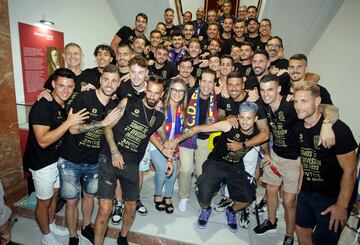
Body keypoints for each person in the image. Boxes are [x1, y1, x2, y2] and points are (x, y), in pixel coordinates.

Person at [255, 75, 337, 245]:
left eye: (270, 89)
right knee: (270, 190)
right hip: (275, 155)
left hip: (294, 160)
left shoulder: (291, 104)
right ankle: (271, 222)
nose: (266, 94)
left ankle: (289, 234)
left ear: (278, 89)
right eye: (262, 90)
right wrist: (267, 154)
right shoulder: (264, 106)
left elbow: (331, 109)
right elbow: (265, 131)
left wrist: (328, 124)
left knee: (289, 201)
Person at [94, 76, 173, 245]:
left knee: (131, 207)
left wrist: (169, 159)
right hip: (109, 156)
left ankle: (122, 237)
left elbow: (163, 141)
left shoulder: (159, 117)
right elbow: (107, 126)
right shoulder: (128, 102)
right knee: (105, 208)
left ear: (162, 94)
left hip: (131, 162)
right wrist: (115, 152)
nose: (152, 96)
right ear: (145, 87)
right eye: (149, 91)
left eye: (156, 93)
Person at [171, 101, 268, 231]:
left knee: (248, 197)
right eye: (242, 117)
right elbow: (198, 128)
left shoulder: (258, 133)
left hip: (235, 166)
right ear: (238, 116)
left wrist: (267, 154)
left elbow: (264, 139)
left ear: (255, 119)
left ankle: (231, 211)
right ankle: (206, 210)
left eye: (249, 118)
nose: (244, 122)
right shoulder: (229, 125)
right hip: (216, 163)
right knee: (203, 191)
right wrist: (176, 140)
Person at [23, 68, 88, 245]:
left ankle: (50, 225)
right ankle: (45, 236)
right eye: (61, 86)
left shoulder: (62, 104)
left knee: (54, 196)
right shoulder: (42, 106)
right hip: (42, 162)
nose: (65, 90)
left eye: (69, 86)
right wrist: (69, 123)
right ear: (52, 84)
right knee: (43, 201)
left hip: (57, 159)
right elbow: (43, 141)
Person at [58, 65, 121, 245]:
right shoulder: (84, 98)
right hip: (71, 159)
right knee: (71, 201)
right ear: (100, 80)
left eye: (114, 81)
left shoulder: (114, 106)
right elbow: (73, 129)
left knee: (89, 196)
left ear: (117, 85)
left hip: (94, 161)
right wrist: (103, 123)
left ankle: (86, 227)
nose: (110, 84)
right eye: (106, 79)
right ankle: (72, 236)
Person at [294, 82, 358, 245]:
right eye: (296, 101)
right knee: (301, 230)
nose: (298, 106)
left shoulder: (338, 130)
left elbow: (350, 171)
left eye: (304, 101)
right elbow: (305, 155)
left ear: (317, 102)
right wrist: (300, 185)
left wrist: (341, 205)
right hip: (308, 191)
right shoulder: (299, 126)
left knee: (323, 241)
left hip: (332, 197)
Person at [176, 69, 218, 212]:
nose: (206, 85)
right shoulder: (189, 93)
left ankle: (199, 189)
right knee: (186, 169)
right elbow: (173, 99)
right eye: (204, 81)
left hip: (204, 139)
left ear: (214, 84)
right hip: (187, 136)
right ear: (199, 82)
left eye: (210, 82)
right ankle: (183, 196)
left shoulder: (218, 97)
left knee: (201, 172)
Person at [151, 78, 188, 214]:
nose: (177, 93)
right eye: (174, 90)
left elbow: (180, 132)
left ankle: (168, 196)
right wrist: (165, 149)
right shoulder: (160, 106)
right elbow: (153, 131)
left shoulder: (183, 110)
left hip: (172, 145)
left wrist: (173, 148)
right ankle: (157, 194)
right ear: (169, 90)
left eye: (181, 91)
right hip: (156, 143)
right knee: (162, 169)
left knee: (173, 172)